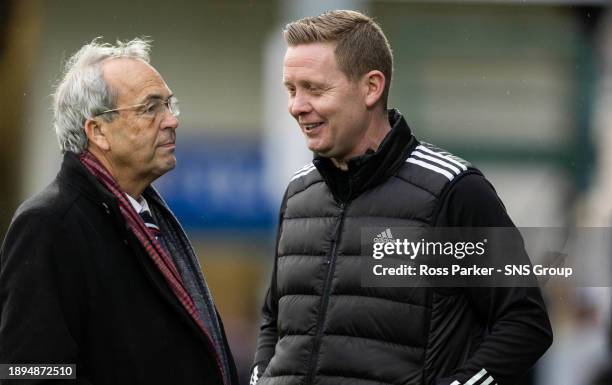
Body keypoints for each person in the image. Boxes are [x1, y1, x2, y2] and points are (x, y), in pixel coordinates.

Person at [251, 10, 552, 385]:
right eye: (291, 89)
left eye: (314, 88)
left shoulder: (453, 190)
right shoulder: (298, 194)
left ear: (371, 88)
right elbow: (273, 321)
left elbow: (524, 323)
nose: (297, 106)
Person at [0, 38, 237, 385]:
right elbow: (27, 372)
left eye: (170, 105)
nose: (172, 121)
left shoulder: (147, 217)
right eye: (150, 107)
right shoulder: (49, 223)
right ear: (98, 132)